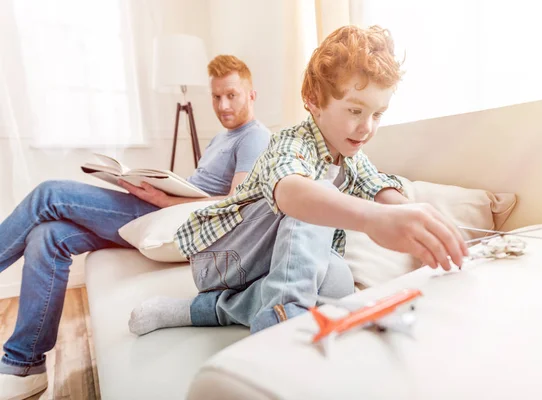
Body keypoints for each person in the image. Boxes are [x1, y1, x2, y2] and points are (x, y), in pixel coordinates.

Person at [128, 25, 468, 337]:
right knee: (315, 192)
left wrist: (421, 222)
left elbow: (381, 190)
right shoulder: (291, 142)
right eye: (355, 110)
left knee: (339, 281)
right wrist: (374, 219)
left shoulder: (353, 158)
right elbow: (292, 192)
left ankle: (207, 309)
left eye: (377, 114)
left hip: (266, 268)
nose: (367, 127)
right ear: (313, 101)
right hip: (222, 258)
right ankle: (283, 317)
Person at [0, 55, 270, 400]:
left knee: (49, 194)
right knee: (48, 236)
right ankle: (24, 365)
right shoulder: (223, 138)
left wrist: (161, 200)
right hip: (163, 213)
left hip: (176, 223)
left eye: (231, 95)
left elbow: (232, 206)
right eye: (216, 97)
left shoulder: (254, 138)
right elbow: (203, 189)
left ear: (252, 95)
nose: (223, 105)